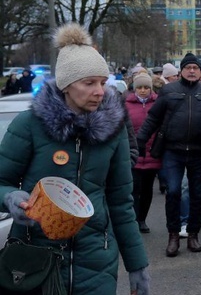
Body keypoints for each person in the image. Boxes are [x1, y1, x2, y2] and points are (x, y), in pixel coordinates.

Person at [0, 23, 150, 294]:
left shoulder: (113, 131)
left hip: (96, 260)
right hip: (35, 259)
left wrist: (137, 264)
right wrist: (10, 197)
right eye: (89, 83)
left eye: (103, 83)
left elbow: (121, 202)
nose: (100, 91)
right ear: (67, 84)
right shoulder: (29, 125)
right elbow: (1, 180)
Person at [136, 52, 201, 257]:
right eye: (188, 67)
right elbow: (153, 119)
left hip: (200, 151)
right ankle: (173, 234)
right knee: (173, 191)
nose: (191, 71)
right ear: (181, 72)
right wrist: (140, 141)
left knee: (199, 193)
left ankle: (193, 233)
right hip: (173, 151)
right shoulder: (169, 91)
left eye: (195, 68)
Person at [126, 72, 160, 234]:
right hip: (134, 153)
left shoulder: (158, 103)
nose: (143, 90)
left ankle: (142, 219)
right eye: (140, 87)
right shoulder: (126, 104)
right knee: (134, 188)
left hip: (152, 153)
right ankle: (133, 218)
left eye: (146, 87)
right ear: (134, 89)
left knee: (147, 189)